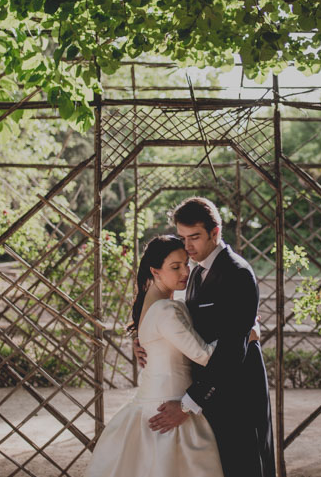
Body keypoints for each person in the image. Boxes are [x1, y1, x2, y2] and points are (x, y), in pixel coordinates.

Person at [139, 197, 276, 477]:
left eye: (195, 237)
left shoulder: (237, 273)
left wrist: (188, 404)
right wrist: (145, 342)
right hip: (209, 395)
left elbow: (232, 348)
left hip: (238, 394)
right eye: (182, 238)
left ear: (215, 232)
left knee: (245, 468)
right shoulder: (195, 273)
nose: (187, 246)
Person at [86, 235, 224, 477]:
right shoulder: (166, 310)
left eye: (186, 264)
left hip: (150, 402)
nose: (185, 272)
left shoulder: (151, 305)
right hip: (171, 407)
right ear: (155, 271)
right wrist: (244, 333)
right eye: (175, 267)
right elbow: (205, 355)